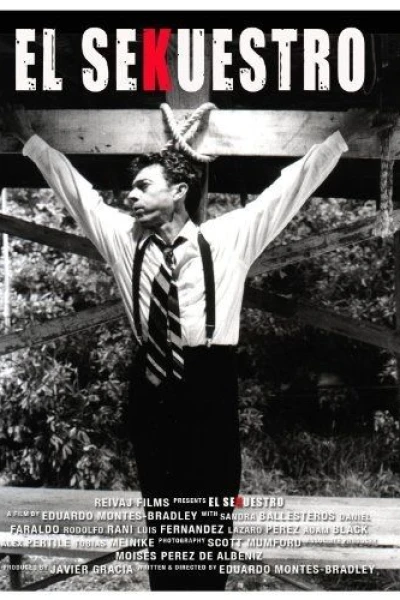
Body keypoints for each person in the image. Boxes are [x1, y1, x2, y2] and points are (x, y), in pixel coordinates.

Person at [3, 106, 383, 590]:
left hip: (209, 381)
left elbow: (290, 189)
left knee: (210, 518)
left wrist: (342, 136)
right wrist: (29, 139)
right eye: (131, 188)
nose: (130, 195)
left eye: (143, 186)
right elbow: (74, 189)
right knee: (164, 519)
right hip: (151, 382)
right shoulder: (123, 240)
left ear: (179, 190)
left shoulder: (228, 240)